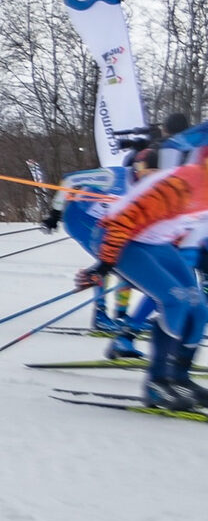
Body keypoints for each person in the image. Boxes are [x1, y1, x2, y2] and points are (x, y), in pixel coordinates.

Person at [69, 149, 208, 410]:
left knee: (199, 308)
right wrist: (104, 265)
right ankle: (157, 383)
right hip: (122, 239)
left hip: (157, 242)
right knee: (175, 300)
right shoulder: (177, 184)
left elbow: (190, 232)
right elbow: (123, 221)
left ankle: (180, 379)